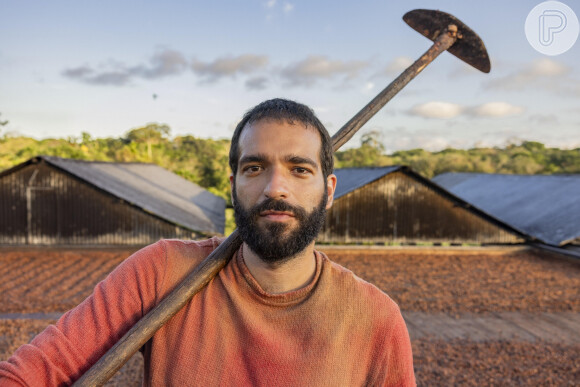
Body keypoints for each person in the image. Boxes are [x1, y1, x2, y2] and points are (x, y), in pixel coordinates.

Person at [0, 98, 416, 386]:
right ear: (233, 185)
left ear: (328, 189)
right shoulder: (163, 273)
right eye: (255, 168)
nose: (276, 187)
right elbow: (37, 369)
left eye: (299, 169)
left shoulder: (375, 319)